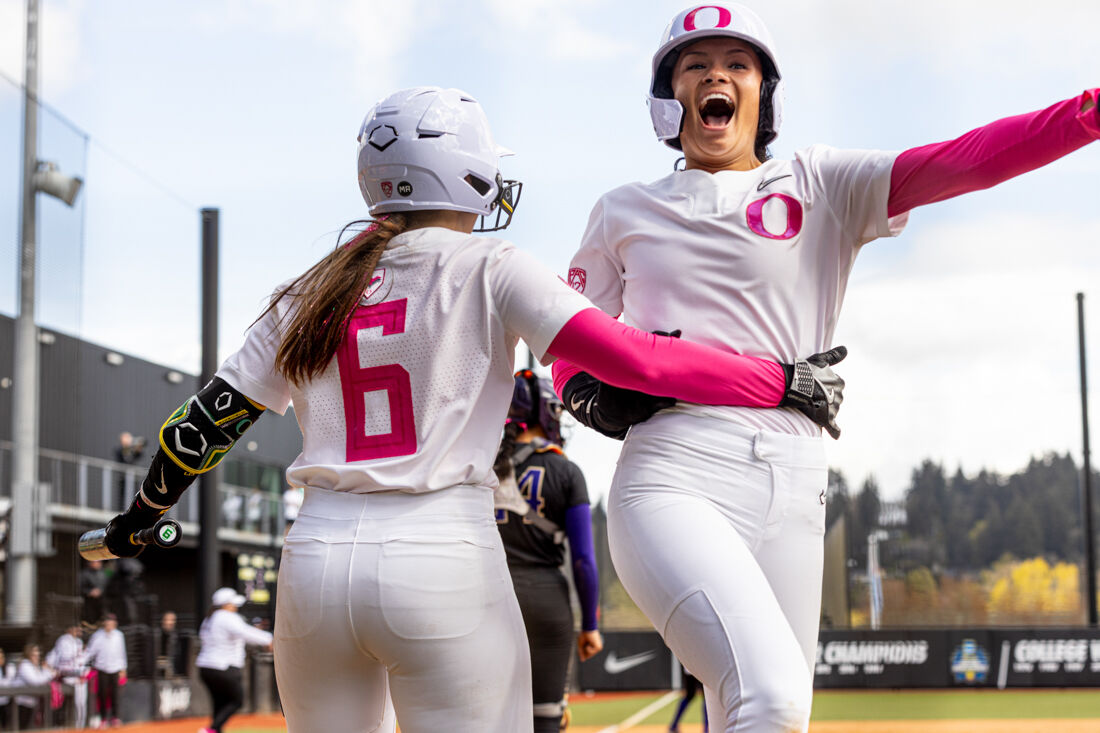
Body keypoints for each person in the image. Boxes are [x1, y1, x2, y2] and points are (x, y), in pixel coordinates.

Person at [94, 85, 844, 733]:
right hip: (440, 550)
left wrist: (137, 517)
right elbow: (638, 359)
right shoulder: (492, 265)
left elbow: (202, 426)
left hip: (315, 560)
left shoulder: (308, 288)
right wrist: (778, 381)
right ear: (466, 172)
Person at [554, 4, 1100, 731]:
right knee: (771, 699)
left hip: (797, 474)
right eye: (695, 64)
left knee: (754, 709)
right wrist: (583, 394)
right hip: (674, 470)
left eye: (738, 63)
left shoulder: (822, 183)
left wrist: (1088, 113)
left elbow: (965, 159)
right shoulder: (622, 209)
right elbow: (564, 340)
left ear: (763, 93)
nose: (716, 73)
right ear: (669, 96)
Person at [493, 371, 603, 733]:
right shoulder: (566, 471)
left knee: (484, 717)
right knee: (545, 719)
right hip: (544, 603)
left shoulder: (481, 469)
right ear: (544, 412)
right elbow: (584, 559)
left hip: (485, 597)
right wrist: (589, 624)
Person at [196, 588, 273, 733]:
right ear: (226, 604)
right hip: (224, 667)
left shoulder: (209, 619)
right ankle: (210, 730)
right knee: (236, 700)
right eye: (233, 603)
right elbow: (246, 632)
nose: (236, 606)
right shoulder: (227, 617)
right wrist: (269, 639)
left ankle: (216, 729)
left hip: (206, 667)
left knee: (219, 702)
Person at [84, 614, 127, 728]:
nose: (109, 624)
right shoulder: (97, 636)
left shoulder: (119, 636)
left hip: (115, 669)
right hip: (102, 669)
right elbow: (90, 652)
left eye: (111, 622)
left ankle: (115, 717)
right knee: (102, 694)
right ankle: (103, 719)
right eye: (107, 622)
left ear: (115, 623)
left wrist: (123, 668)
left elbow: (122, 653)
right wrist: (80, 662)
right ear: (104, 623)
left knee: (115, 695)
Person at [46, 624, 89, 730]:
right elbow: (60, 660)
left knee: (80, 706)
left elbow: (82, 661)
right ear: (69, 629)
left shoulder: (79, 642)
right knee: (67, 706)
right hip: (67, 679)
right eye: (75, 627)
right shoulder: (63, 640)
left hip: (78, 678)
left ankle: (78, 728)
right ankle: (65, 727)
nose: (78, 630)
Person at [14, 644, 53, 730]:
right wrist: (49, 673)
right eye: (34, 655)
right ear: (28, 654)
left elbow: (42, 681)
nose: (37, 657)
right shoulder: (24, 665)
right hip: (21, 703)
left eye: (38, 655)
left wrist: (46, 671)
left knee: (28, 728)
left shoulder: (34, 666)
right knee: (21, 728)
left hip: (31, 702)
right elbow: (35, 681)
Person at [669, 667, 707, 733]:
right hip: (701, 669)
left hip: (689, 668)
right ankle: (706, 729)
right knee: (706, 698)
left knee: (689, 696)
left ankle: (673, 726)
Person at [80, 559, 108, 626]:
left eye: (98, 562)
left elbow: (109, 585)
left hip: (103, 601)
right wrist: (89, 592)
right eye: (94, 562)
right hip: (88, 601)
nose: (97, 564)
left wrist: (101, 590)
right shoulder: (84, 574)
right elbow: (79, 587)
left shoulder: (106, 573)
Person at [0, 649, 15, 730]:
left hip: (6, 701)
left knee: (6, 724)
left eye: (1, 657)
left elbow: (9, 683)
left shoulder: (10, 668)